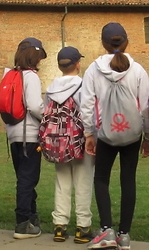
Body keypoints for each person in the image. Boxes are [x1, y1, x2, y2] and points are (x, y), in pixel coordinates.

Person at [81, 23, 149, 250]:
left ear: (103, 43)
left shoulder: (93, 70)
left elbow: (87, 104)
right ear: (127, 41)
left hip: (105, 133)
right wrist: (148, 136)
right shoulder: (138, 70)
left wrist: (89, 132)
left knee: (101, 178)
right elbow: (146, 107)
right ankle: (124, 235)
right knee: (127, 180)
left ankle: (106, 230)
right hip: (132, 133)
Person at [46, 46, 96, 244]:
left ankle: (59, 226)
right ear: (78, 64)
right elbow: (88, 112)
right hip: (80, 140)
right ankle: (82, 227)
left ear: (59, 66)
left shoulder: (51, 88)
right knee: (83, 182)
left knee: (62, 182)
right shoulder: (83, 86)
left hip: (57, 141)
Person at [6, 37, 47, 239]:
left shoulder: (11, 74)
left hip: (13, 134)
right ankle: (22, 223)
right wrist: (48, 116)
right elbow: (33, 106)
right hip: (29, 134)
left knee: (24, 177)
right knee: (28, 179)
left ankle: (31, 217)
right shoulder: (30, 76)